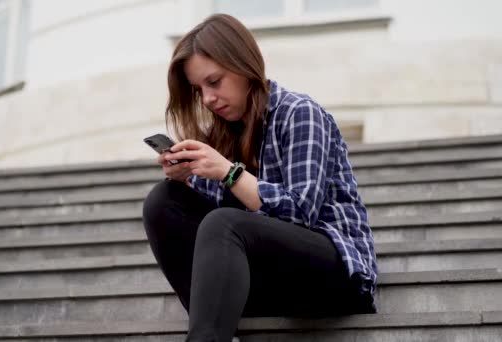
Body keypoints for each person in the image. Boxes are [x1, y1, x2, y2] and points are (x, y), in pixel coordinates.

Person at [142, 13, 378, 342]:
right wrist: (188, 177)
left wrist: (227, 170)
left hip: (335, 274)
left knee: (225, 223)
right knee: (162, 201)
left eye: (214, 82)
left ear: (244, 65)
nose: (208, 99)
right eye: (199, 90)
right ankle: (220, 326)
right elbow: (230, 214)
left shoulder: (300, 113)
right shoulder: (226, 132)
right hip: (269, 279)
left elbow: (301, 214)